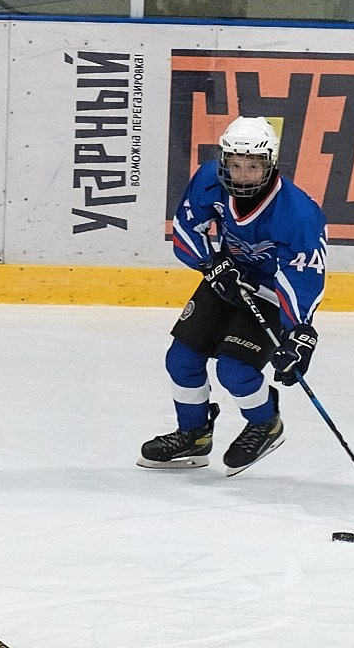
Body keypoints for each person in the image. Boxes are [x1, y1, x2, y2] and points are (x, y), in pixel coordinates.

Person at [139, 116, 326, 474]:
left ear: (270, 165)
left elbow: (300, 276)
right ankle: (194, 435)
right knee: (180, 360)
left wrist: (298, 331)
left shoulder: (299, 214)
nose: (242, 175)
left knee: (235, 370)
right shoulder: (210, 178)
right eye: (235, 165)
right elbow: (184, 228)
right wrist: (210, 264)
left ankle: (265, 423)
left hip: (269, 292)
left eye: (252, 167)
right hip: (225, 276)